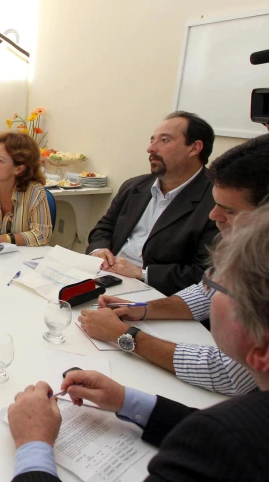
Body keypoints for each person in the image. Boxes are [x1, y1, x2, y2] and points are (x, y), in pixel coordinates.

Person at [8, 204, 269, 481]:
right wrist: (127, 401)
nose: (204, 294)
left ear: (261, 351)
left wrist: (33, 445)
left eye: (213, 287)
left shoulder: (220, 441)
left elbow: (214, 437)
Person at [79, 134, 269, 396]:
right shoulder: (248, 245)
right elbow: (205, 293)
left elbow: (230, 373)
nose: (214, 216)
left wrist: (126, 336)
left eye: (230, 211)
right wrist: (138, 309)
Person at [87, 111, 218, 295]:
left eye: (164, 140)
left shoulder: (217, 201)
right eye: (152, 140)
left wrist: (142, 273)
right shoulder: (134, 186)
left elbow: (205, 273)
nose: (151, 149)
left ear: (194, 148)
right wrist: (99, 250)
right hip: (106, 276)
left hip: (159, 294)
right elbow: (104, 227)